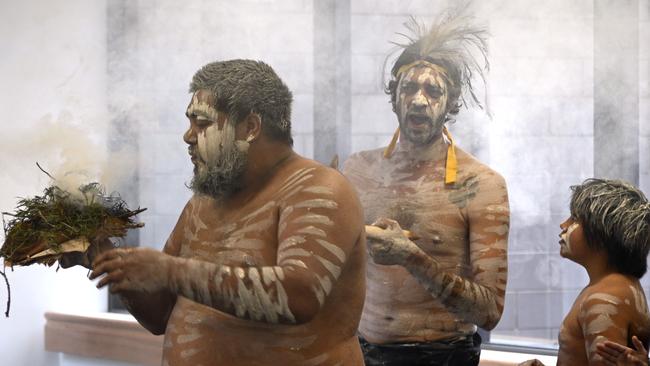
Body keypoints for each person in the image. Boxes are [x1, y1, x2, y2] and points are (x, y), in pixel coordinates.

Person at [84, 60, 366, 365]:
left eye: (202, 123)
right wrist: (103, 257)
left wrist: (170, 271)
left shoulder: (318, 188)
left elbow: (299, 297)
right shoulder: (202, 203)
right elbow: (160, 316)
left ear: (250, 128)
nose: (188, 136)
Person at [342, 12, 510, 366]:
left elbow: (489, 311)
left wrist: (411, 256)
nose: (419, 100)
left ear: (451, 103)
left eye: (433, 90)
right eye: (409, 88)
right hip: (360, 351)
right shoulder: (359, 170)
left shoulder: (480, 184)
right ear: (394, 97)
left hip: (441, 355)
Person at [520, 178, 650, 366]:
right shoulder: (615, 286)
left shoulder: (605, 296)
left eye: (575, 218)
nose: (563, 224)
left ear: (601, 232)